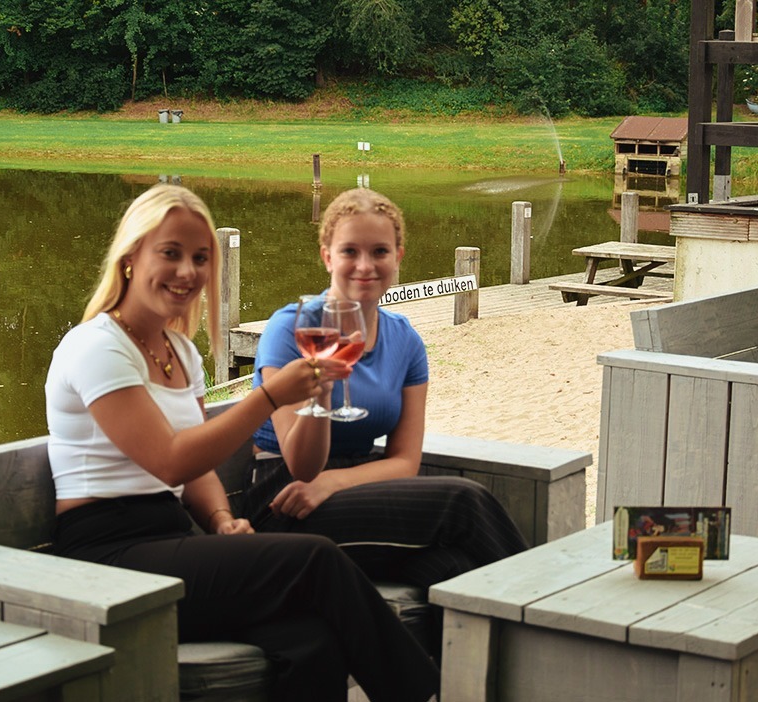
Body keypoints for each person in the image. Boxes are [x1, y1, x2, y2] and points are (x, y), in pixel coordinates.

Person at [45, 183, 439, 702]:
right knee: (315, 560)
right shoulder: (96, 346)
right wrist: (270, 395)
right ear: (130, 257)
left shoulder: (179, 351)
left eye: (200, 258)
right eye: (171, 253)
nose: (188, 271)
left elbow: (196, 466)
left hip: (172, 538)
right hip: (105, 556)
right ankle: (429, 694)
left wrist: (220, 520)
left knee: (312, 640)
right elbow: (168, 461)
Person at [245, 187, 529, 651]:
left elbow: (404, 461)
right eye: (349, 251)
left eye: (379, 251)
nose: (364, 265)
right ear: (326, 256)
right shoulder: (293, 329)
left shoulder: (405, 340)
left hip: (349, 495)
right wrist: (322, 385)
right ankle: (547, 615)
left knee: (450, 572)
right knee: (462, 501)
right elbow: (300, 467)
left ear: (398, 257)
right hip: (283, 503)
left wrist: (335, 483)